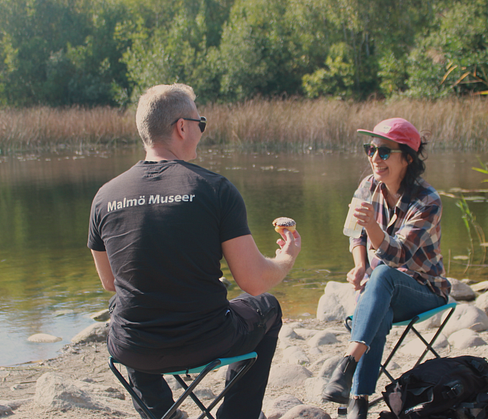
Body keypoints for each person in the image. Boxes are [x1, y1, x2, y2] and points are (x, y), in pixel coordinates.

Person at [88, 83, 301, 419]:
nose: (201, 130)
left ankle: (160, 412)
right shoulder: (214, 189)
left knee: (123, 304)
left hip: (135, 349)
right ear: (182, 127)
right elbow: (254, 281)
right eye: (200, 122)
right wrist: (286, 257)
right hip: (207, 342)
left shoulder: (104, 196)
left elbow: (110, 281)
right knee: (268, 307)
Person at [321, 117, 451, 418]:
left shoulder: (427, 200)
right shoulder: (368, 185)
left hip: (425, 288)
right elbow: (356, 232)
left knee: (383, 277)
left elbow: (398, 255)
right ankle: (359, 399)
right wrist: (359, 265)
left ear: (407, 157)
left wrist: (373, 226)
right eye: (370, 150)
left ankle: (348, 362)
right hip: (381, 288)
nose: (374, 158)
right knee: (379, 302)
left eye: (383, 152)